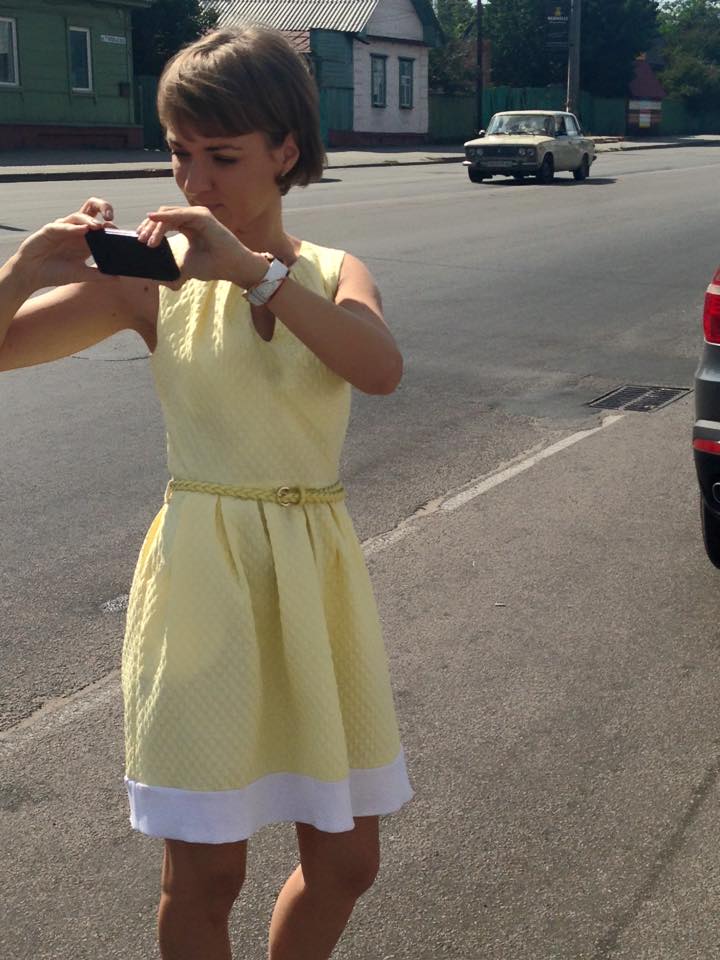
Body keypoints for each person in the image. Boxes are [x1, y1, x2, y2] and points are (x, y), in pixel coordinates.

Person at [0, 25, 413, 960]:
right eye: (180, 153)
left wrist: (256, 274)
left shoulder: (331, 272)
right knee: (205, 875)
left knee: (348, 861)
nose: (195, 182)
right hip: (205, 585)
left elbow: (379, 369)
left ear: (285, 152)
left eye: (221, 157)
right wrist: (25, 270)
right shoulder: (148, 288)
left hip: (317, 585)